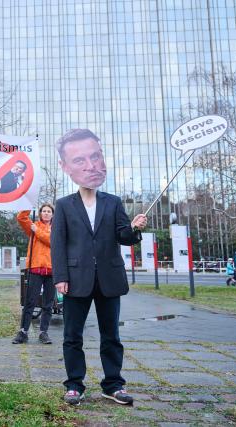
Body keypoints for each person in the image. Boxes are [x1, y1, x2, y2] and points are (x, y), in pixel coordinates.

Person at [51, 129, 147, 406]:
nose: (90, 165)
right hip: (75, 280)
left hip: (109, 278)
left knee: (111, 336)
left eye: (95, 156)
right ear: (66, 167)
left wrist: (134, 228)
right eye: (79, 160)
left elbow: (124, 238)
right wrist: (60, 277)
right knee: (72, 337)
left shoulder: (113, 202)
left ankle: (113, 385)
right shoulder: (64, 205)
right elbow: (58, 244)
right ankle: (74, 386)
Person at [13, 204, 55, 345]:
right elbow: (21, 217)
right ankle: (23, 332)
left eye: (49, 211)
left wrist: (37, 231)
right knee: (29, 302)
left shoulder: (56, 228)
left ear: (53, 214)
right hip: (35, 269)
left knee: (48, 304)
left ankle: (43, 333)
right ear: (40, 213)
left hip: (52, 271)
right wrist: (28, 204)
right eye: (44, 211)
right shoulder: (33, 226)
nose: (46, 213)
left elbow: (51, 241)